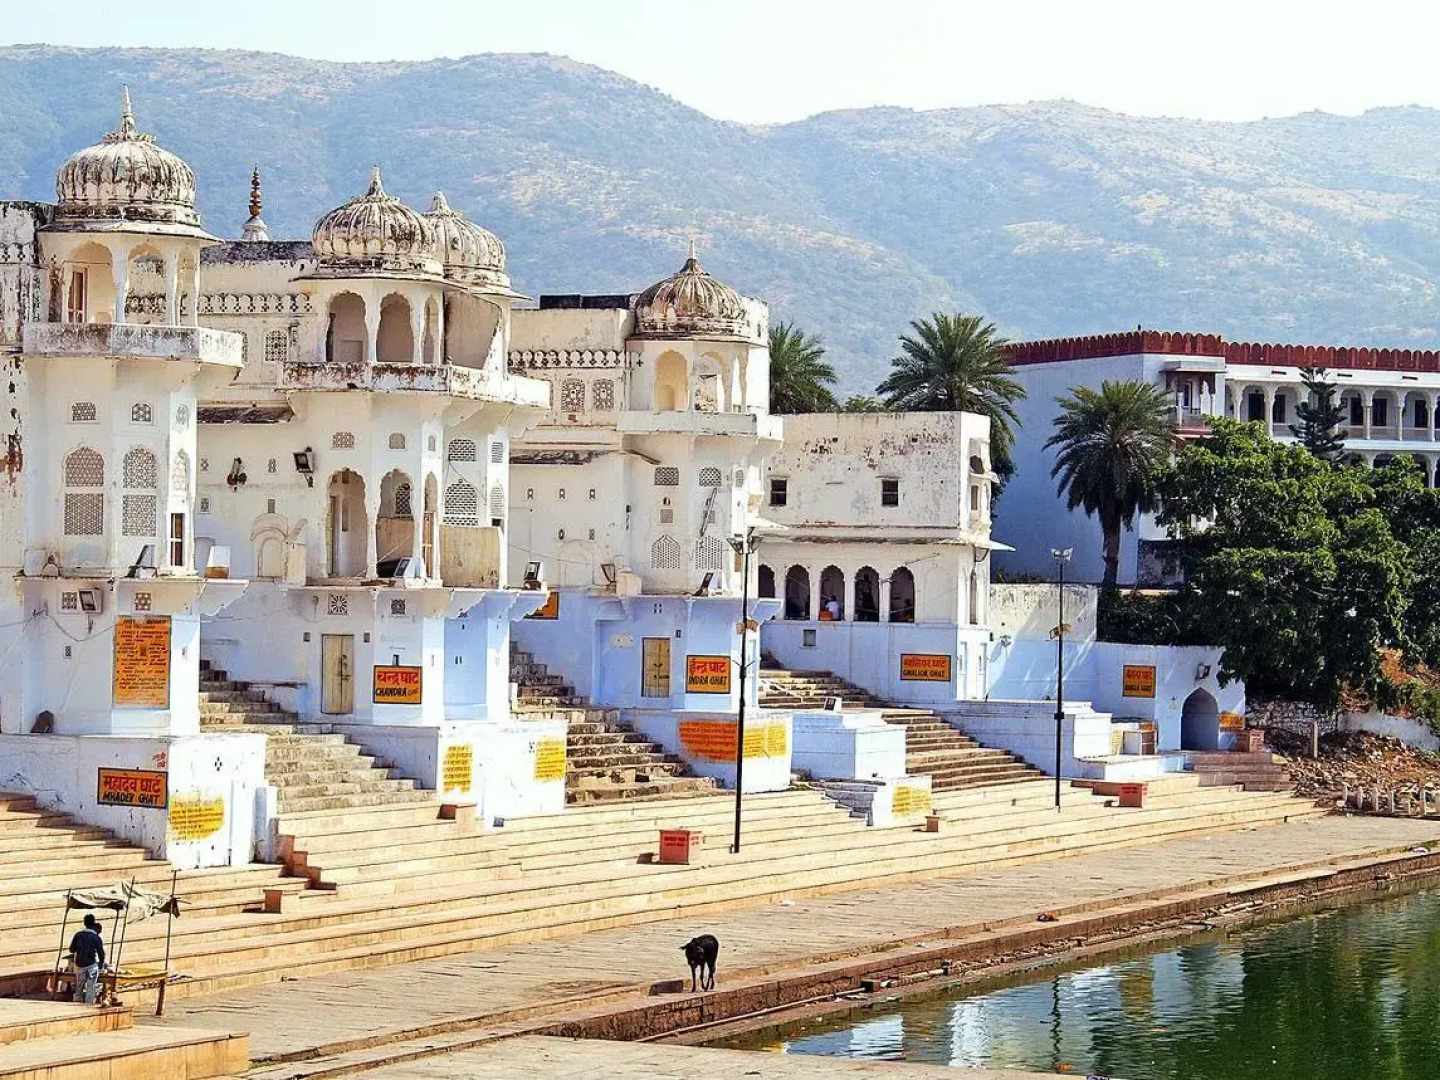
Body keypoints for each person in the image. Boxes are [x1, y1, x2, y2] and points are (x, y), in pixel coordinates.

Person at [68, 914, 105, 1005]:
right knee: (91, 987)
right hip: (91, 965)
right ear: (93, 924)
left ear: (84, 923)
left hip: (80, 965)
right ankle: (88, 1005)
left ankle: (76, 1004)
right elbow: (101, 953)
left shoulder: (78, 935)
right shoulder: (96, 937)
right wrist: (101, 963)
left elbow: (71, 949)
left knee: (79, 987)